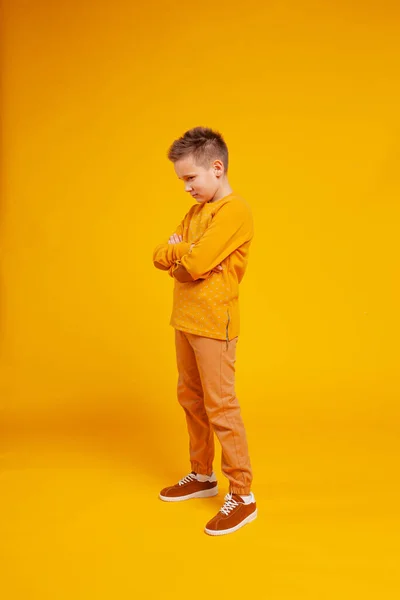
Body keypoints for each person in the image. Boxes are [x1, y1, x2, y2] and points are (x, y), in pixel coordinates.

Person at [152, 126, 257, 536]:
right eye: (182, 180)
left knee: (220, 406)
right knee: (190, 398)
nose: (186, 188)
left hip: (215, 325)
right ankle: (202, 474)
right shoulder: (197, 214)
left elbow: (191, 265)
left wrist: (184, 255)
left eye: (190, 178)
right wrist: (184, 253)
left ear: (217, 168)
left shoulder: (234, 211)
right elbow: (163, 254)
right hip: (185, 320)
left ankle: (243, 495)